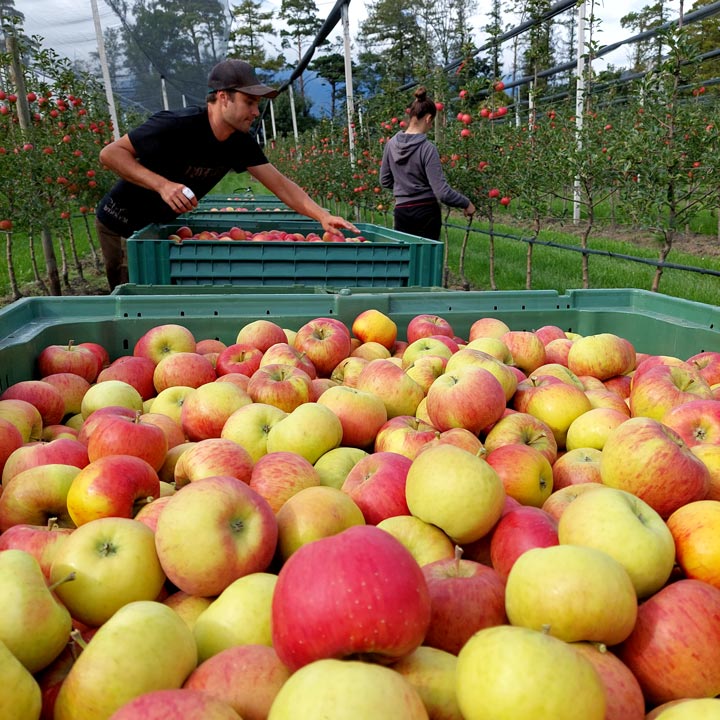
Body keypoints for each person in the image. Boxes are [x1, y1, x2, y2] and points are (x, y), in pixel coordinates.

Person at [95, 59, 360, 289]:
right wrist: (162, 185)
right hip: (121, 223)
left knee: (157, 294)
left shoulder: (239, 141)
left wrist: (323, 216)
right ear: (223, 97)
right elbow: (110, 154)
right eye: (249, 102)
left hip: (158, 226)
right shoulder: (176, 126)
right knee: (132, 291)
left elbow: (280, 184)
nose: (256, 112)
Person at [380, 86, 475, 241]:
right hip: (426, 212)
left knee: (407, 261)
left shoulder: (390, 145)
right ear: (428, 118)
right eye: (432, 123)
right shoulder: (427, 148)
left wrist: (404, 188)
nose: (430, 127)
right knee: (426, 261)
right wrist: (466, 203)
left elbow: (384, 180)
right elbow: (442, 192)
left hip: (401, 211)